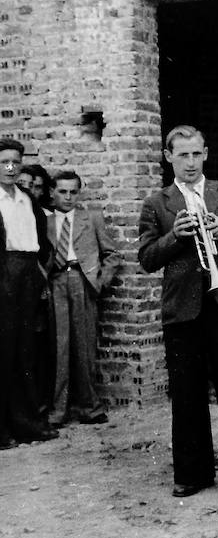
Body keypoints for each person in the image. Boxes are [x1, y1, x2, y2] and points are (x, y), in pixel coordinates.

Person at [138, 125, 218, 497]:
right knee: (187, 393)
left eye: (196, 154)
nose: (191, 162)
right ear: (169, 157)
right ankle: (192, 474)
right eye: (182, 155)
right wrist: (173, 236)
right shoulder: (156, 203)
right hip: (183, 310)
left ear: (206, 153)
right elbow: (146, 258)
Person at [45, 170, 122, 427]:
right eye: (62, 192)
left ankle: (90, 407)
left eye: (73, 192)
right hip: (55, 282)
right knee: (59, 347)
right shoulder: (44, 219)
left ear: (79, 192)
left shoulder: (91, 218)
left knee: (85, 345)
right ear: (52, 193)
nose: (68, 197)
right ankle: (58, 410)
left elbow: (112, 254)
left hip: (82, 280)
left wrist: (100, 281)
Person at [0, 139, 58, 449]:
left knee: (25, 351)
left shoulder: (26, 200)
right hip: (3, 274)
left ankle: (26, 423)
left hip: (27, 275)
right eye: (3, 162)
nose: (10, 167)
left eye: (15, 162)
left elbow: (41, 241)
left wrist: (37, 273)